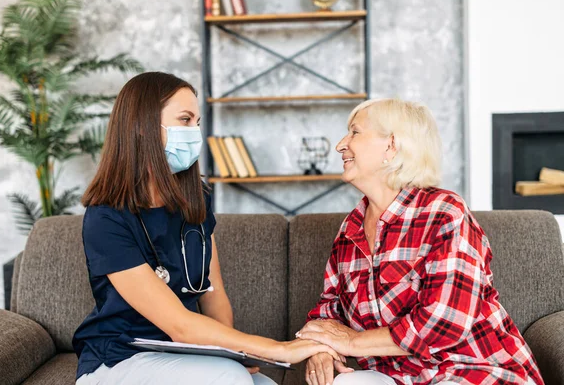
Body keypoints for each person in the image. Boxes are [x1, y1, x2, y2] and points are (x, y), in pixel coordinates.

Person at [72, 72, 341, 385]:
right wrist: (277, 350)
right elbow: (180, 326)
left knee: (260, 383)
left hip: (181, 355)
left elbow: (214, 299)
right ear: (142, 127)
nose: (194, 132)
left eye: (197, 122)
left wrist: (233, 353)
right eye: (185, 120)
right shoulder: (106, 218)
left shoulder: (195, 200)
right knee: (228, 378)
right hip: (119, 358)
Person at [295, 98, 545, 385]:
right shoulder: (350, 229)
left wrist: (351, 343)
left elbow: (444, 323)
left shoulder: (444, 213)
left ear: (391, 145)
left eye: (354, 132)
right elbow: (328, 310)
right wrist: (322, 348)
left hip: (470, 369)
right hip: (398, 376)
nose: (341, 144)